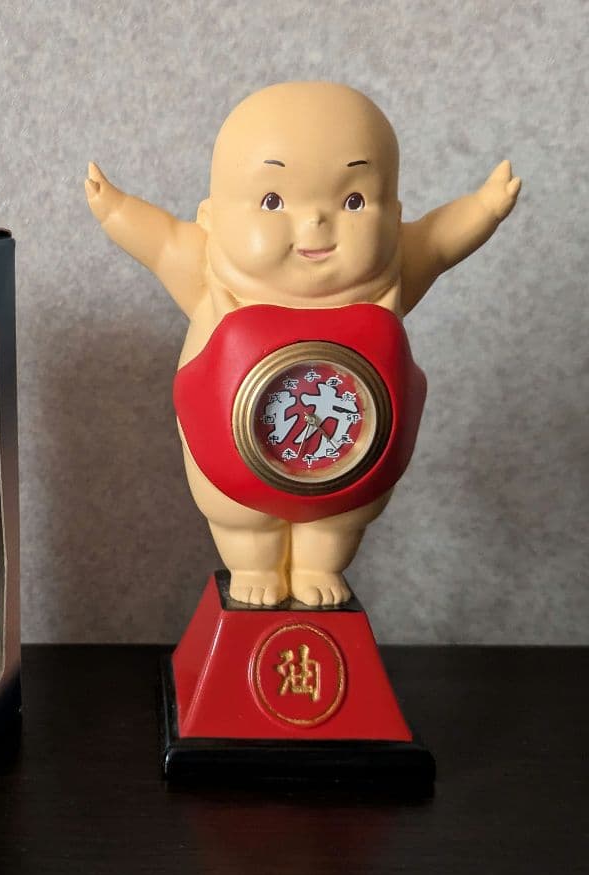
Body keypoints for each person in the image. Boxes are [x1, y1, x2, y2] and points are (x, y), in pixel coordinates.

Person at [86, 81, 520, 607]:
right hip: (225, 443)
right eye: (273, 201)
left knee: (338, 518)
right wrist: (116, 211)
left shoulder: (391, 269)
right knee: (242, 517)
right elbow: (161, 243)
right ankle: (252, 563)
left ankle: (320, 563)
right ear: (212, 217)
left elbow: (439, 239)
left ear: (393, 214)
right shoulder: (209, 267)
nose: (315, 222)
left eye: (354, 201)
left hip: (356, 449)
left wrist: (484, 207)